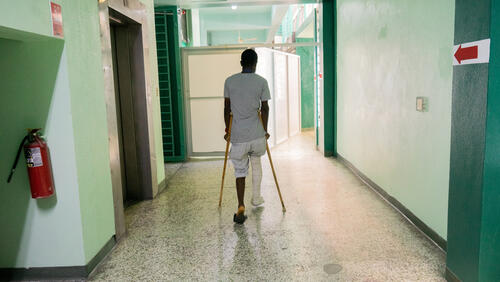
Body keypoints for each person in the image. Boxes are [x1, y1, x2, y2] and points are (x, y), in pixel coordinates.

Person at [224, 49, 271, 224]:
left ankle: (241, 205)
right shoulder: (261, 82)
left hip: (239, 137)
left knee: (240, 171)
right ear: (255, 63)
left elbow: (227, 109)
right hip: (257, 136)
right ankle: (256, 198)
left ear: (241, 63)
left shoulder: (229, 81)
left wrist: (227, 131)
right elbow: (265, 108)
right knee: (257, 162)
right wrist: (265, 130)